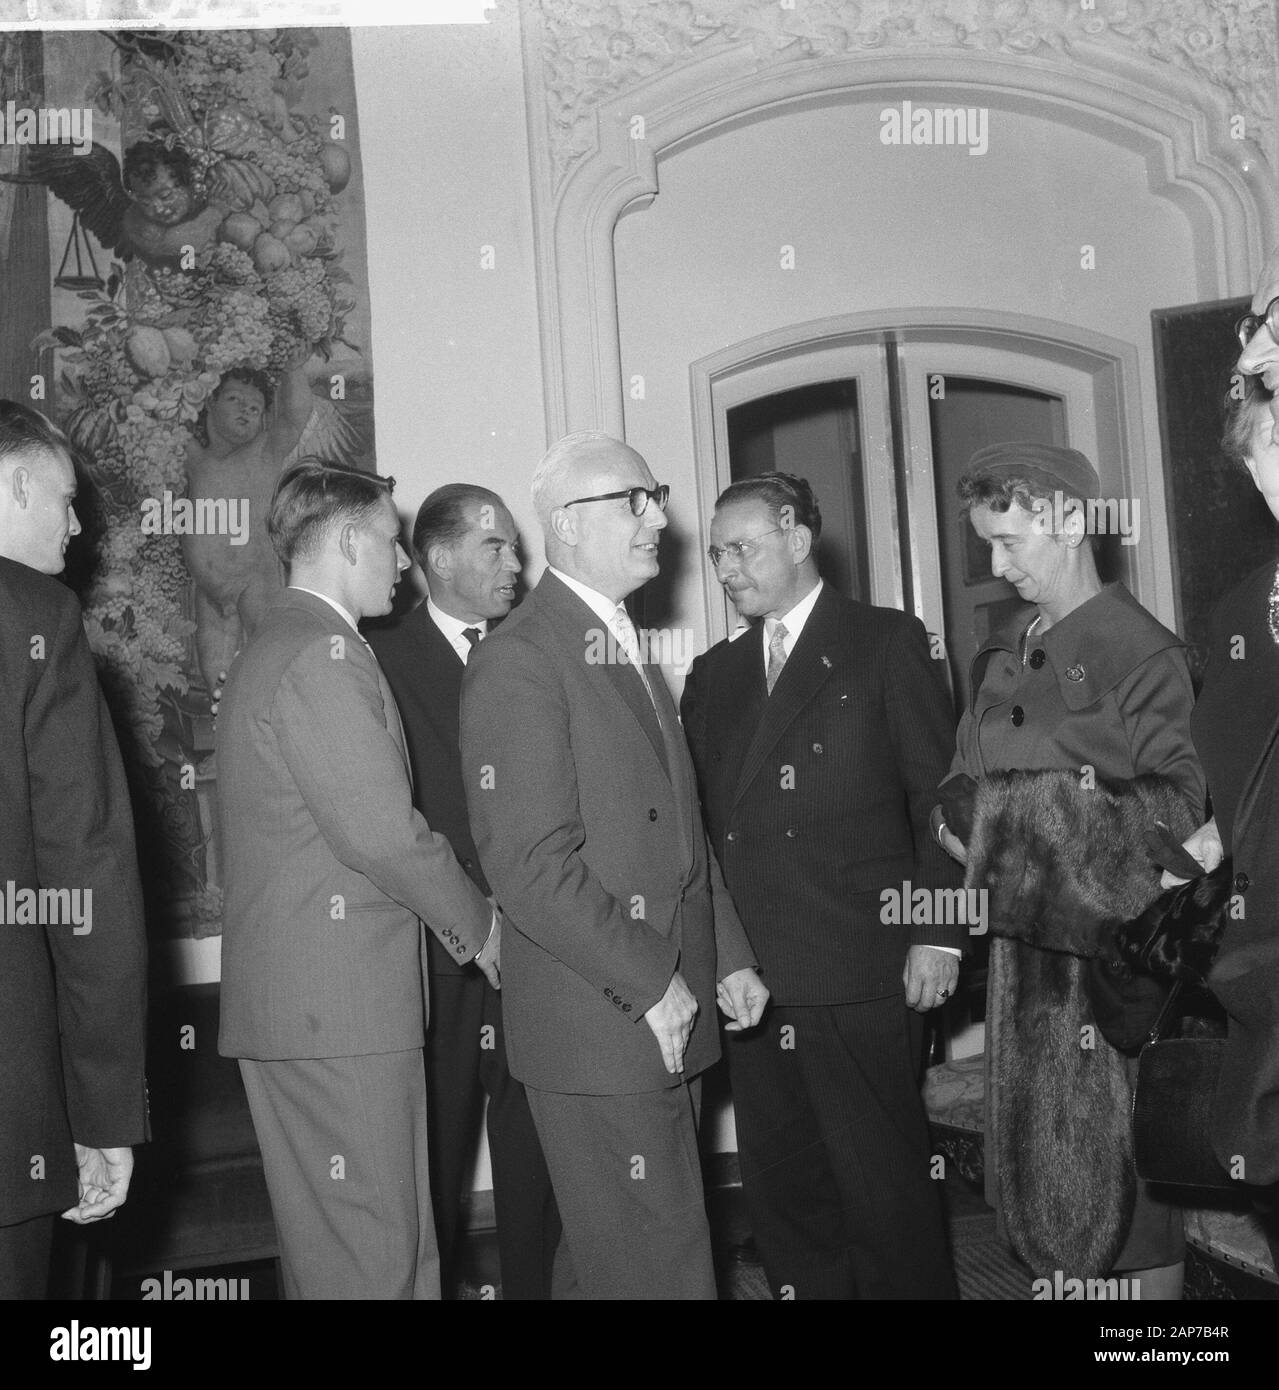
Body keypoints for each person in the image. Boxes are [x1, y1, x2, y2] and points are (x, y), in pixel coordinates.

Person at [460, 431, 767, 1300]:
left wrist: (729, 950)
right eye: (632, 500)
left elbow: (680, 821)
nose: (658, 518)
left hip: (660, 1004)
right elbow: (528, 868)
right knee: (658, 1264)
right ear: (564, 525)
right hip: (607, 1020)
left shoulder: (611, 637)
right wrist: (651, 981)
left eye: (655, 495)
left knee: (612, 1261)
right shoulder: (520, 658)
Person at [216, 460, 500, 1300]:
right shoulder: (322, 653)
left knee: (339, 1258)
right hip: (338, 1011)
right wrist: (483, 930)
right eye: (387, 542)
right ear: (345, 540)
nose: (403, 563)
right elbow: (383, 834)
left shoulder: (281, 641)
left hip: (306, 1008)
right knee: (381, 1258)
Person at [680, 472, 962, 1300]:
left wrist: (940, 932)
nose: (725, 569)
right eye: (716, 552)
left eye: (742, 547)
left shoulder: (886, 640)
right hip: (753, 980)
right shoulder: (714, 673)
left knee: (885, 1193)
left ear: (798, 539)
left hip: (864, 967)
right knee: (785, 1195)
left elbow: (941, 802)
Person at [935, 441, 1204, 1298]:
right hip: (1024, 981)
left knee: (1127, 1222)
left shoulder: (1145, 653)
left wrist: (1009, 825)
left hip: (1114, 977)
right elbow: (955, 788)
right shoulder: (1004, 651)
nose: (995, 564)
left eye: (1010, 541)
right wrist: (975, 822)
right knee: (1049, 1225)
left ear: (1072, 520)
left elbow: (1181, 809)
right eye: (986, 543)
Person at [367, 484, 559, 1299]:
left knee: (538, 1154)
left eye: (517, 547)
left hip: (539, 949)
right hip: (438, 953)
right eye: (496, 548)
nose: (517, 564)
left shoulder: (542, 650)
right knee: (434, 1160)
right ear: (438, 559)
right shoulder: (376, 660)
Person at [0, 401, 148, 1298]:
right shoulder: (36, 617)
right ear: (14, 481)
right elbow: (83, 881)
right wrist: (100, 1116)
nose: (77, 523)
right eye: (63, 496)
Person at [1170, 356, 1279, 1198]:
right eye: (1264, 446)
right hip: (1260, 959)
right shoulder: (1245, 604)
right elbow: (1242, 760)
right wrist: (1205, 839)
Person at [183, 363, 315, 700]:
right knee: (219, 687)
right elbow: (157, 413)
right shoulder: (195, 459)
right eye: (234, 399)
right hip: (210, 590)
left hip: (258, 581)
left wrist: (292, 367)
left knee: (272, 667)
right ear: (209, 404)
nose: (246, 409)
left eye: (255, 408)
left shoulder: (265, 453)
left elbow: (294, 414)